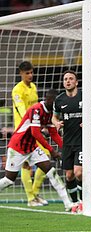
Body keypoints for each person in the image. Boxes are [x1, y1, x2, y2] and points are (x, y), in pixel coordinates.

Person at [0, 89, 73, 211]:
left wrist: (65, 148)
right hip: (18, 147)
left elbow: (53, 133)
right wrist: (52, 151)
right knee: (9, 180)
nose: (58, 105)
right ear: (48, 100)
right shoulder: (36, 109)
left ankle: (68, 204)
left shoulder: (50, 112)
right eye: (56, 102)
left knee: (51, 171)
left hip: (32, 147)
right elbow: (35, 133)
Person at [12, 61, 48, 207]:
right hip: (22, 131)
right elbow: (21, 110)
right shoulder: (17, 90)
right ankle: (30, 198)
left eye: (32, 72)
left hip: (34, 129)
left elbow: (36, 109)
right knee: (26, 164)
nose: (30, 75)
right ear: (21, 73)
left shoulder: (33, 87)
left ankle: (35, 192)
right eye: (27, 73)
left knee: (46, 156)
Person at [52, 70, 83, 213]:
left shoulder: (85, 95)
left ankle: (84, 201)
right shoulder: (59, 100)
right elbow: (54, 117)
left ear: (76, 82)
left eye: (71, 79)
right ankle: (75, 203)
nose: (68, 81)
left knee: (78, 173)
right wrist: (56, 123)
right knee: (69, 175)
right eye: (65, 79)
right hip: (68, 142)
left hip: (83, 141)